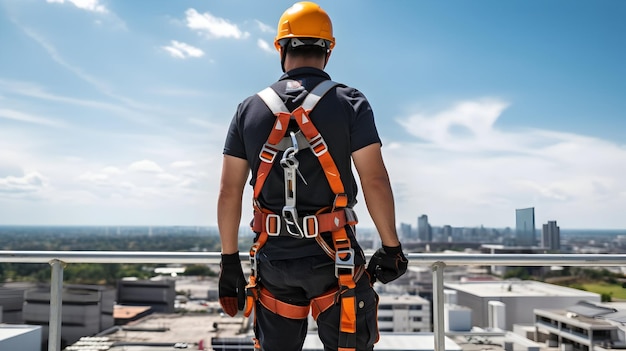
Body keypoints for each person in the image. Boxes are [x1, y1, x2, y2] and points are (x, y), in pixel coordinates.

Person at [217, 2, 408, 350]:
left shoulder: (249, 108)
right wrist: (391, 247)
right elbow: (374, 180)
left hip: (273, 259)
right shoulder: (350, 102)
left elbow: (229, 191)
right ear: (328, 51)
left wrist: (228, 261)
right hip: (336, 260)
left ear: (281, 48)